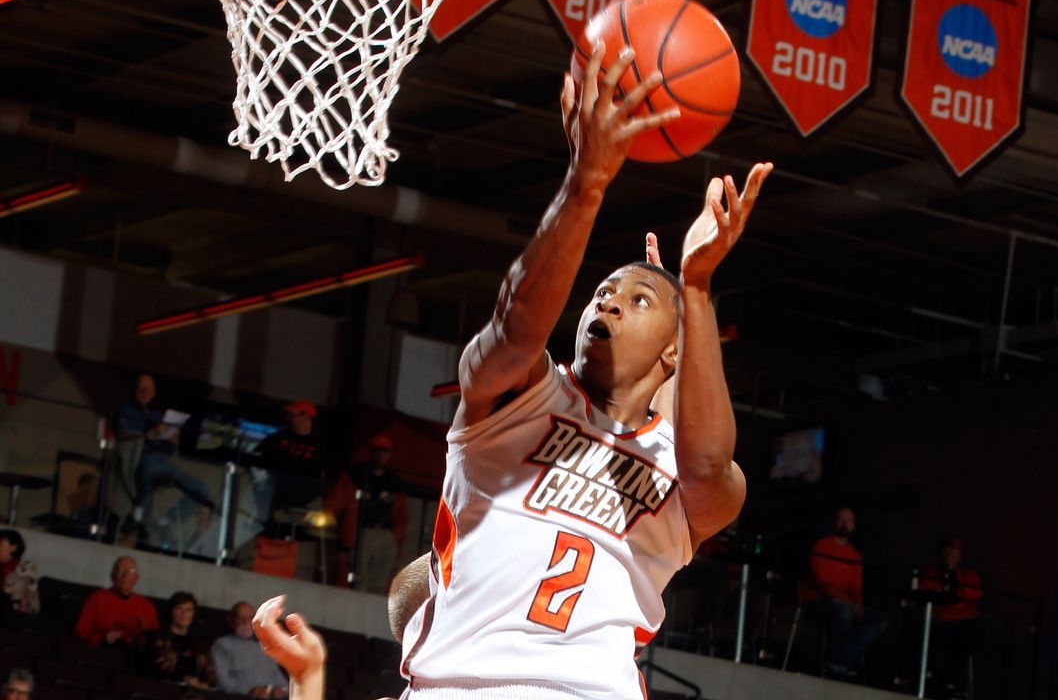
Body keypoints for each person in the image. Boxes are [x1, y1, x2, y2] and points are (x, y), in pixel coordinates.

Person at [252, 42, 772, 700]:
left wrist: (693, 289)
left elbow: (702, 460)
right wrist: (586, 185)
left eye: (635, 300)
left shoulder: (684, 469)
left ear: (674, 353)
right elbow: (516, 327)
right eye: (601, 291)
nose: (608, 298)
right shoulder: (519, 401)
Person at [116, 373, 215, 540]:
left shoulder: (156, 414)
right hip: (143, 459)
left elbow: (165, 441)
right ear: (135, 390)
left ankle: (165, 521)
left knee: (202, 489)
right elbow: (126, 437)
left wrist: (171, 439)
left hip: (162, 460)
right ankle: (136, 521)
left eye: (149, 389)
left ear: (154, 393)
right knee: (143, 491)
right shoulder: (127, 411)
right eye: (142, 388)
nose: (145, 392)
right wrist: (153, 432)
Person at [801, 507, 889, 676]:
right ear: (835, 522)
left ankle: (839, 660)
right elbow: (821, 582)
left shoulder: (855, 556)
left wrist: (857, 604)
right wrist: (847, 603)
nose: (845, 524)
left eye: (849, 521)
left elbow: (856, 589)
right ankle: (835, 661)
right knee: (844, 613)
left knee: (880, 621)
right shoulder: (821, 546)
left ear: (853, 526)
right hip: (818, 601)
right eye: (842, 520)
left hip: (846, 603)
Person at [324, 434, 408, 594]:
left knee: (381, 579)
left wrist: (396, 539)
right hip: (362, 532)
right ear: (370, 453)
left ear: (389, 455)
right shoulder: (355, 476)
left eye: (384, 451)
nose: (380, 455)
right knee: (358, 577)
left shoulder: (394, 483)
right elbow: (336, 504)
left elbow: (401, 516)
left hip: (385, 534)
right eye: (377, 450)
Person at [918, 537, 983, 697]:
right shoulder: (932, 572)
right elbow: (926, 590)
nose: (951, 555)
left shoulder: (968, 574)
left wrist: (955, 582)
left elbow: (973, 593)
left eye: (955, 552)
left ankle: (950, 677)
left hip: (963, 624)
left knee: (972, 634)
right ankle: (934, 678)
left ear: (960, 555)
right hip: (939, 622)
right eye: (948, 551)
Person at [257, 400, 327, 529]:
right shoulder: (278, 438)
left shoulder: (322, 445)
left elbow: (322, 477)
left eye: (293, 414)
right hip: (273, 489)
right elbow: (258, 458)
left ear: (306, 416)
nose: (289, 417)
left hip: (302, 493)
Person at [74, 556, 159, 646]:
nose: (125, 575)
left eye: (131, 571)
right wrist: (103, 638)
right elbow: (81, 631)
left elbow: (154, 638)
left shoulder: (146, 606)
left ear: (136, 578)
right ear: (113, 575)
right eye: (121, 570)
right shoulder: (97, 598)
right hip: (101, 650)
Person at [211, 602, 287, 699]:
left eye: (250, 618)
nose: (245, 622)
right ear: (231, 620)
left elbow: (280, 680)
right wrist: (250, 691)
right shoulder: (222, 644)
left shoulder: (265, 645)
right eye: (240, 618)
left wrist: (282, 690)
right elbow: (222, 680)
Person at [140, 591, 212, 688]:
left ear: (193, 614)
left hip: (193, 690)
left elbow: (208, 670)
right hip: (162, 687)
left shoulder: (198, 642)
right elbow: (158, 666)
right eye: (179, 608)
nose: (184, 614)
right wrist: (184, 679)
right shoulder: (156, 636)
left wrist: (206, 683)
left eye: (188, 610)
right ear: (171, 611)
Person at [0, 529, 39, 617]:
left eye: (0, 544)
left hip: (15, 614)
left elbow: (16, 596)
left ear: (13, 548)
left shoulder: (24, 568)